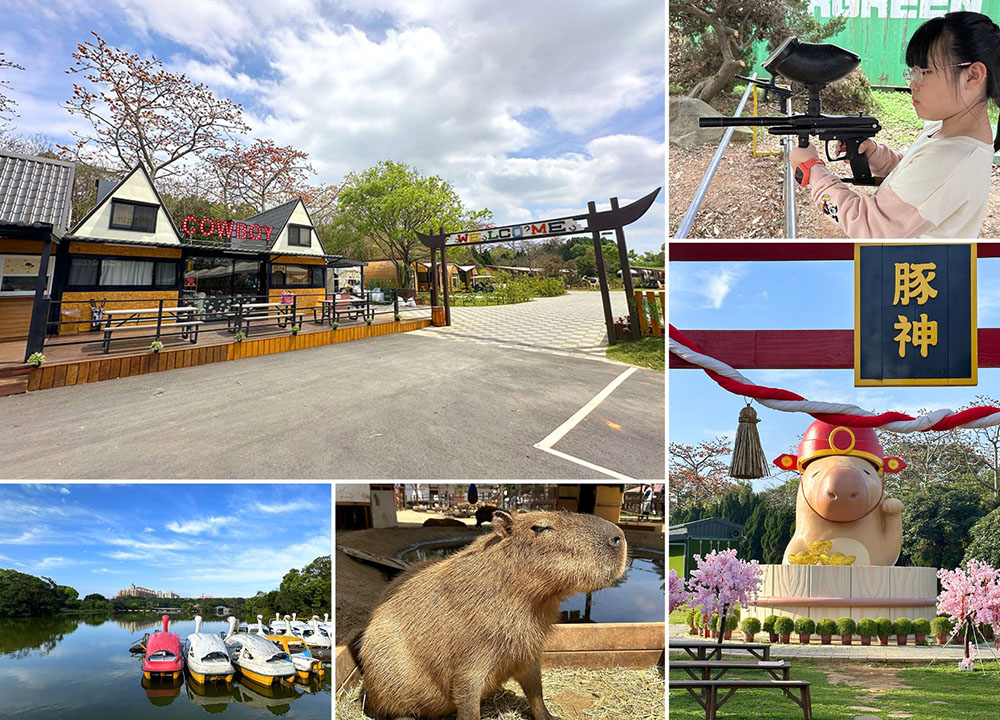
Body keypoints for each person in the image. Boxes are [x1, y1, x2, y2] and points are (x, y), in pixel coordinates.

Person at [789, 12, 1000, 238]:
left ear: (972, 76)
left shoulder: (952, 159)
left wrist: (814, 171)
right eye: (912, 72)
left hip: (910, 271)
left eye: (923, 72)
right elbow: (915, 175)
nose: (912, 84)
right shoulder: (945, 129)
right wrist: (878, 157)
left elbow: (869, 226)